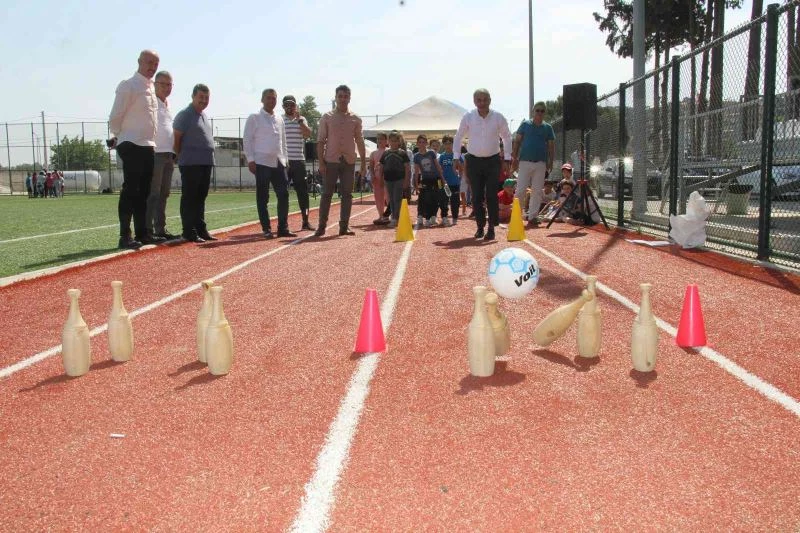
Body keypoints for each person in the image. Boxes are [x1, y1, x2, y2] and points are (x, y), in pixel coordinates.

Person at [108, 49, 160, 249]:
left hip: (148, 145)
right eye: (149, 62)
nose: (152, 67)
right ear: (139, 61)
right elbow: (115, 116)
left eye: (155, 64)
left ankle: (142, 233)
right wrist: (121, 135)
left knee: (144, 191)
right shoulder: (128, 85)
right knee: (131, 189)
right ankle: (125, 235)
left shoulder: (151, 88)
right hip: (131, 143)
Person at [453, 88, 513, 240]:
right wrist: (456, 157)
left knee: (491, 195)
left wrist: (507, 159)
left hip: (493, 161)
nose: (482, 103)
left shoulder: (498, 117)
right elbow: (458, 136)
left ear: (490, 100)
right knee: (476, 196)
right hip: (473, 161)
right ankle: (480, 226)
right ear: (474, 101)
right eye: (479, 100)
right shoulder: (468, 117)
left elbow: (507, 137)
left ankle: (491, 227)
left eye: (485, 99)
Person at [315, 84, 366, 237]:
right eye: (340, 96)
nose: (343, 99)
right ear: (335, 98)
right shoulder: (326, 117)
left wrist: (363, 163)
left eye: (346, 96)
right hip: (331, 160)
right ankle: (321, 226)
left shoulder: (356, 119)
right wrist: (321, 162)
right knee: (326, 194)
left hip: (349, 161)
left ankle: (344, 226)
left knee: (347, 194)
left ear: (349, 98)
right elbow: (320, 141)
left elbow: (360, 141)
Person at [243, 89, 294, 239]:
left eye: (274, 98)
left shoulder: (279, 119)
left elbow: (283, 141)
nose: (272, 100)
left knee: (283, 194)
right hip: (261, 162)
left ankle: (283, 228)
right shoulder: (254, 117)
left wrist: (286, 159)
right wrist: (250, 159)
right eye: (269, 98)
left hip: (278, 162)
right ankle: (266, 229)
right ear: (262, 99)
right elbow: (247, 140)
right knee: (263, 197)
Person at [173, 83, 216, 243]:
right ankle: (188, 231)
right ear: (193, 96)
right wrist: (180, 156)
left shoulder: (204, 116)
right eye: (201, 97)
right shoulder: (184, 115)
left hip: (206, 162)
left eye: (206, 98)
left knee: (201, 197)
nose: (204, 100)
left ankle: (200, 229)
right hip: (190, 163)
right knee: (190, 197)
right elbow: (176, 138)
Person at [511, 101, 555, 227]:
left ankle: (533, 217)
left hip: (541, 163)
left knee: (537, 191)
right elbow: (517, 141)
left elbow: (551, 146)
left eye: (542, 111)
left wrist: (550, 161)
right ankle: (516, 216)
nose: (540, 113)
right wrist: (514, 159)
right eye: (538, 110)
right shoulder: (525, 124)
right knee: (520, 190)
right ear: (533, 111)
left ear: (545, 113)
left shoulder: (548, 128)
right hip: (524, 162)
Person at [145, 70, 177, 241]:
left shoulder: (167, 105)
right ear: (154, 84)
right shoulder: (150, 102)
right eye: (163, 84)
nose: (166, 87)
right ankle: (147, 230)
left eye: (169, 84)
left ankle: (160, 229)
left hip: (169, 155)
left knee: (164, 194)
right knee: (153, 193)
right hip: (155, 153)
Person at [281, 95, 315, 231]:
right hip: (284, 162)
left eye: (292, 104)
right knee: (283, 193)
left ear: (296, 106)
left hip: (299, 161)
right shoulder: (280, 120)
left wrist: (300, 121)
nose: (289, 107)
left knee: (303, 194)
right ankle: (283, 225)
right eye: (287, 104)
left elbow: (308, 134)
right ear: (283, 106)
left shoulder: (302, 119)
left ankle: (305, 221)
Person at [379, 131, 411, 228]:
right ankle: (394, 217)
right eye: (391, 141)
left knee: (397, 199)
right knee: (391, 200)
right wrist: (380, 179)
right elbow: (381, 167)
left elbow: (407, 168)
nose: (393, 143)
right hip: (388, 179)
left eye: (396, 141)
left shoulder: (402, 153)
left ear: (399, 142)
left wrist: (406, 180)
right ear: (388, 141)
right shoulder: (385, 153)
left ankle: (395, 218)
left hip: (399, 179)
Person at [413, 135, 445, 227]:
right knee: (425, 198)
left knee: (436, 198)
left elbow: (438, 167)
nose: (422, 144)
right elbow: (416, 171)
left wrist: (442, 179)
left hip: (437, 179)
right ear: (417, 144)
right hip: (425, 180)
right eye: (420, 142)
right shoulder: (416, 156)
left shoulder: (431, 153)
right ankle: (424, 217)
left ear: (426, 143)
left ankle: (433, 217)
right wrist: (416, 184)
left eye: (423, 142)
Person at [368, 132, 389, 225]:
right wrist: (372, 175)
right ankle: (381, 216)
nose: (380, 141)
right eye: (378, 139)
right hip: (377, 178)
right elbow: (371, 166)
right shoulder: (373, 153)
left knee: (388, 196)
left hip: (387, 177)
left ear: (386, 141)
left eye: (382, 139)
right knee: (378, 198)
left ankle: (389, 215)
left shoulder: (389, 151)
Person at [439, 135, 461, 225]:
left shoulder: (456, 155)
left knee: (455, 201)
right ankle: (444, 217)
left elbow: (462, 167)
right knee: (443, 201)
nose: (448, 145)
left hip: (455, 183)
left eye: (450, 143)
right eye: (446, 143)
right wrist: (442, 180)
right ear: (443, 145)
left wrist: (458, 171)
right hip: (445, 183)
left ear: (453, 144)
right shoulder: (442, 156)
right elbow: (440, 169)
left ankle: (455, 217)